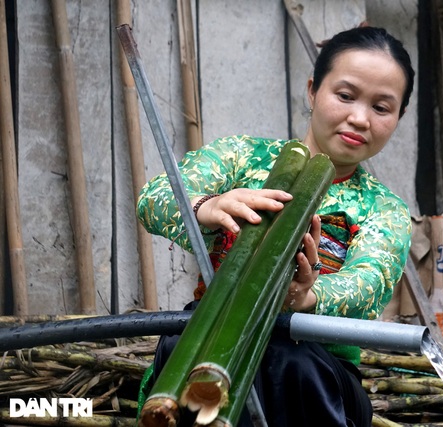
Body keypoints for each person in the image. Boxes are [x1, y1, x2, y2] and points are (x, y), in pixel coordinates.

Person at [136, 24, 415, 427]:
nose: (359, 118)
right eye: (345, 95)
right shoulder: (240, 157)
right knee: (183, 339)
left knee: (288, 355)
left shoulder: (384, 208)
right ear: (312, 90)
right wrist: (207, 205)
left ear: (399, 116)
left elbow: (367, 286)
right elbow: (154, 197)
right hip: (206, 343)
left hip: (317, 371)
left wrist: (307, 294)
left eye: (381, 107)